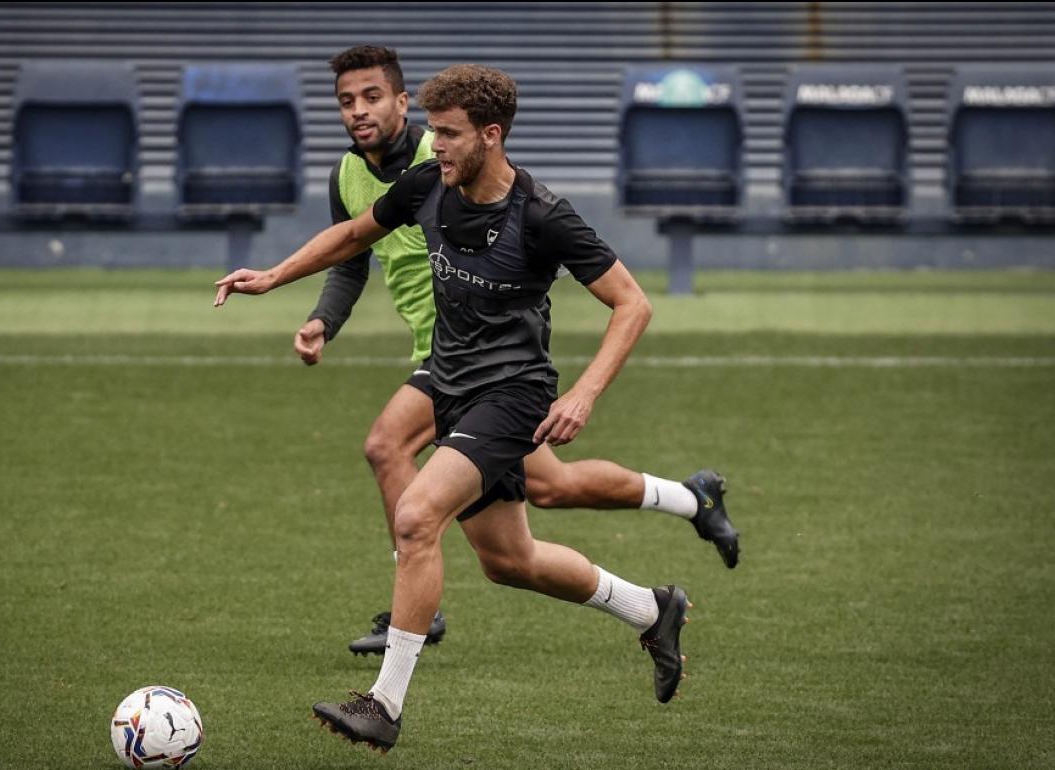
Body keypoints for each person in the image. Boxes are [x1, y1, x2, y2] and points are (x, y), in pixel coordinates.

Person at [214, 63, 726, 754]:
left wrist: (583, 393)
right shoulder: (428, 183)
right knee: (509, 560)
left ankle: (384, 705)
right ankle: (651, 609)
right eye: (434, 132)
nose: (437, 146)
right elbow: (355, 235)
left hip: (511, 394)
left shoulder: (543, 215)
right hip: (449, 385)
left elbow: (632, 304)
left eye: (450, 134)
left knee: (416, 515)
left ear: (491, 135)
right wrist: (274, 277)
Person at [295, 46, 739, 657]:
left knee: (388, 447)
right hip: (448, 355)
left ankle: (414, 611)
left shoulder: (446, 157)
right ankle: (689, 506)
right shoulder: (350, 175)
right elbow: (351, 253)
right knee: (540, 507)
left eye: (372, 97)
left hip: (485, 363)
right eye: (346, 101)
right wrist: (322, 318)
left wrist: (582, 392)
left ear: (402, 101)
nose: (358, 111)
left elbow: (622, 295)